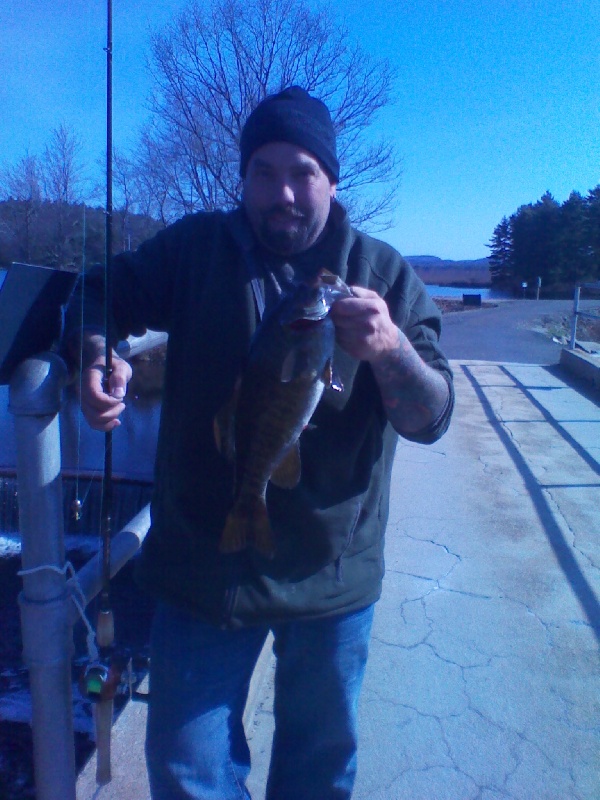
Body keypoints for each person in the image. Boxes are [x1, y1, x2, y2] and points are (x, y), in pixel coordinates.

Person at [65, 86, 454, 800]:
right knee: (186, 774)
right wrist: (97, 354)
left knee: (318, 775)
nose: (282, 192)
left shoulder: (384, 274)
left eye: (301, 171)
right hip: (198, 565)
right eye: (263, 172)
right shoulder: (194, 250)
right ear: (242, 178)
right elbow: (96, 292)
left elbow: (431, 417)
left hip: (331, 574)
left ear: (332, 181)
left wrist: (392, 348)